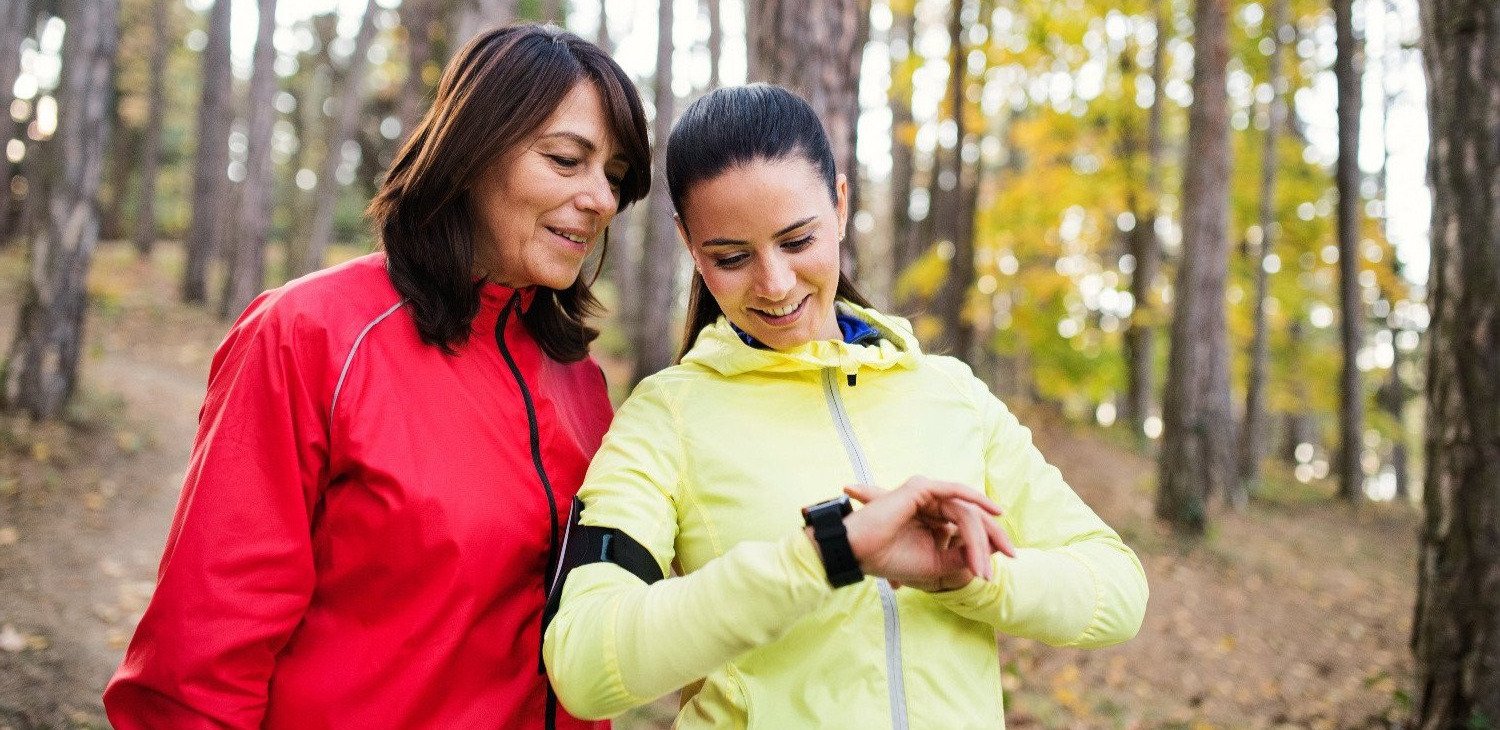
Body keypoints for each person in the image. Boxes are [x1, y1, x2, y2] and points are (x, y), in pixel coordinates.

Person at [543, 84, 1149, 727]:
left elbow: (1115, 589)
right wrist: (825, 556)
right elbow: (584, 663)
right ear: (689, 242)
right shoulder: (666, 415)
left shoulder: (950, 393)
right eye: (731, 257)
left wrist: (971, 578)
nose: (774, 284)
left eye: (798, 240)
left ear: (839, 200)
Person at [103, 25, 650, 729]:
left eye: (614, 175)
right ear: (473, 151)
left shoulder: (583, 384)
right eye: (567, 160)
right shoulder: (310, 335)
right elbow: (196, 661)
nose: (602, 199)